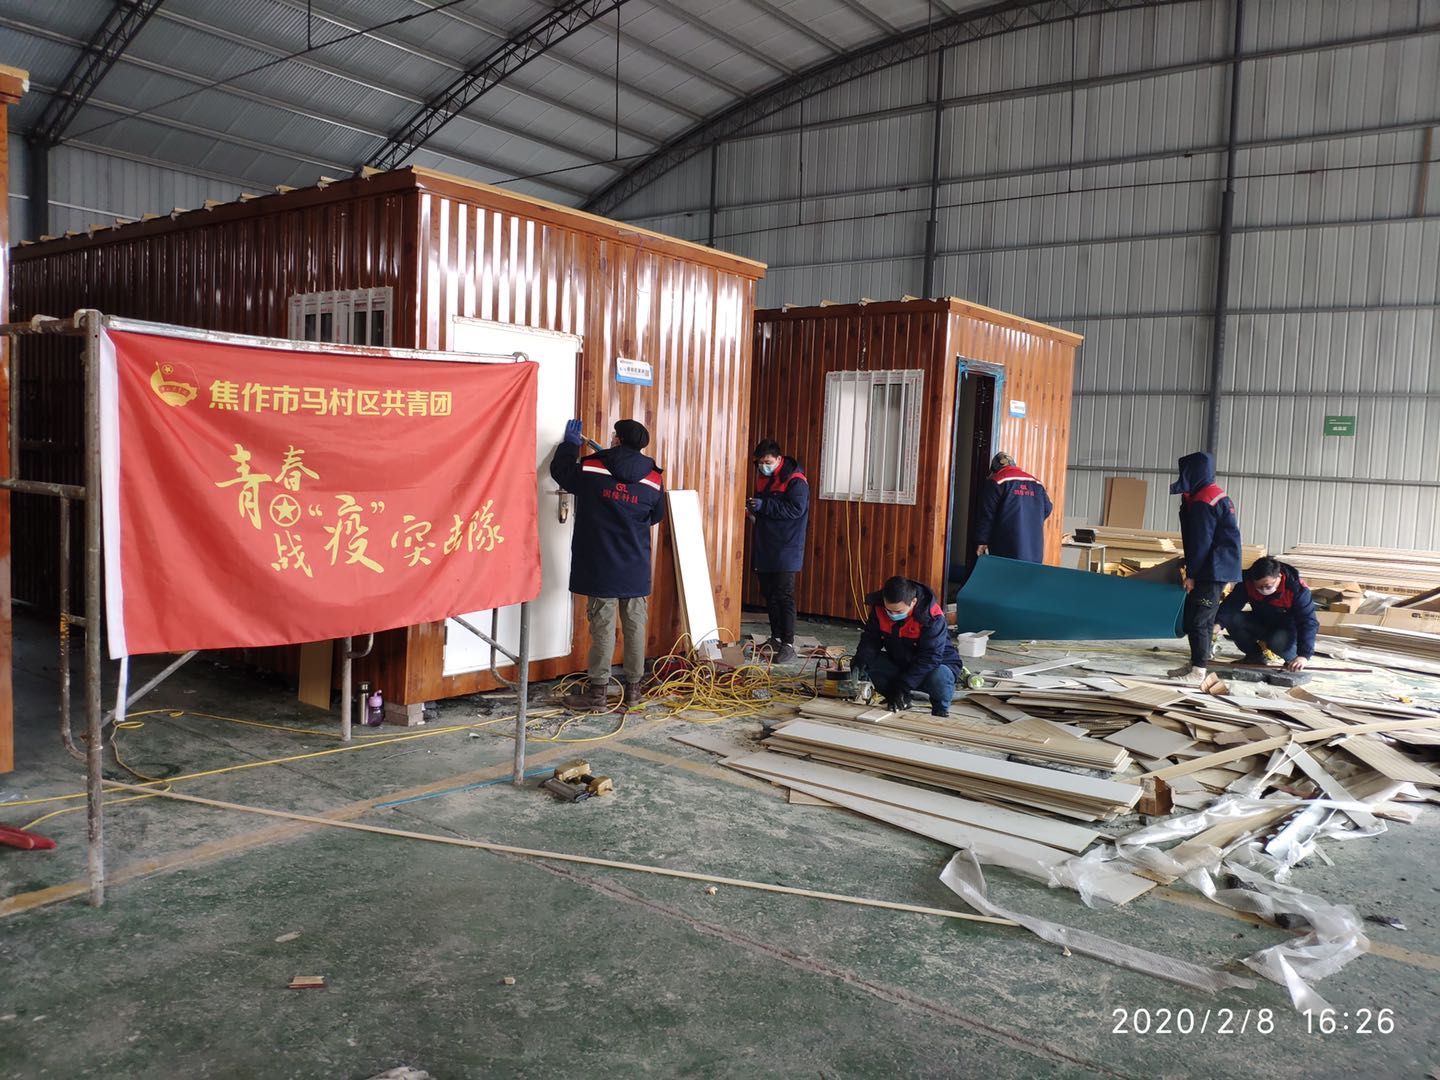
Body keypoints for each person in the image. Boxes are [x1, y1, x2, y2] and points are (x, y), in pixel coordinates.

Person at [549, 418, 665, 711]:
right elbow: (655, 516)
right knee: (635, 626)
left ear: (617, 439)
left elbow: (561, 472)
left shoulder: (593, 467)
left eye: (614, 435)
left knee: (602, 626)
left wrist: (570, 446)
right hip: (635, 563)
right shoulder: (653, 477)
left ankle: (598, 694)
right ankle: (634, 692)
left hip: (601, 563)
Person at [1169, 451, 1242, 681]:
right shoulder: (1208, 494)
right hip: (1215, 566)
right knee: (1197, 618)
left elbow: (1201, 542)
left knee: (1200, 620)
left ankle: (1198, 671)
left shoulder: (1204, 501)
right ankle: (1195, 664)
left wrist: (1192, 574)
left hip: (1212, 569)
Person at [852, 576, 965, 718]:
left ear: (913, 602)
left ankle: (940, 709)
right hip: (901, 661)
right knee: (867, 663)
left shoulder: (932, 617)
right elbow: (871, 639)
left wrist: (903, 686)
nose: (892, 615)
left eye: (898, 612)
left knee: (939, 675)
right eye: (889, 610)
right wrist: (861, 659)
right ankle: (898, 700)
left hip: (934, 665)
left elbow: (930, 658)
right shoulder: (879, 608)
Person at [746, 438, 809, 663]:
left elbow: (796, 509)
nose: (763, 466)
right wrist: (754, 509)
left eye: (768, 462)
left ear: (779, 459)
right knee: (770, 594)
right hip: (766, 544)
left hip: (787, 547)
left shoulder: (796, 481)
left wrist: (765, 506)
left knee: (784, 595)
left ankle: (788, 644)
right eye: (760, 463)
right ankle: (776, 637)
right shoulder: (764, 478)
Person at [1218, 556, 1318, 672]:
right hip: (1261, 622)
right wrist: (1218, 623)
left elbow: (1308, 622)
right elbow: (1231, 605)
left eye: (1268, 586)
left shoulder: (1297, 590)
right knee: (1233, 619)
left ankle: (1293, 660)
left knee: (1276, 642)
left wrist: (1304, 655)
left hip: (1288, 630)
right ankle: (1254, 657)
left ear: (1279, 576)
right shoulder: (1247, 583)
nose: (1263, 589)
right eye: (1259, 587)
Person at [974, 452, 1052, 563]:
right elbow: (1047, 508)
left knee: (1006, 573)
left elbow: (987, 514)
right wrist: (1029, 522)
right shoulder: (1036, 483)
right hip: (1033, 549)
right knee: (1028, 574)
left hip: (1006, 547)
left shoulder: (997, 481)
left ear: (994, 469)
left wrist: (982, 540)